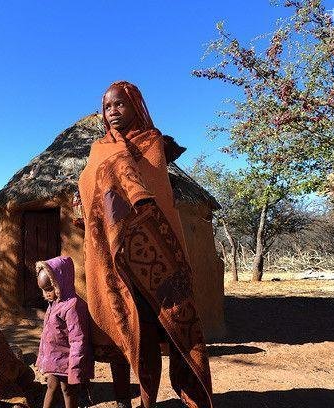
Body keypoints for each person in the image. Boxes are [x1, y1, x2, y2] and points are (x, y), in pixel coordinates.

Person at [77, 81, 213, 408]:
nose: (113, 112)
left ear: (135, 106)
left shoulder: (152, 143)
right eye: (108, 106)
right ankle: (137, 400)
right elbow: (90, 187)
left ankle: (191, 398)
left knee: (168, 327)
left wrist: (119, 169)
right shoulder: (98, 149)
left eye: (120, 104)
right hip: (113, 255)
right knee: (128, 328)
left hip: (154, 256)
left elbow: (157, 194)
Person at [35, 256, 93, 408]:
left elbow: (78, 339)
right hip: (55, 359)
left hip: (68, 361)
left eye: (49, 289)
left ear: (61, 282)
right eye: (43, 290)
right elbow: (47, 335)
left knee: (68, 390)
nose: (46, 294)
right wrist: (42, 357)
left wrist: (75, 367)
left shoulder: (73, 306)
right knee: (51, 386)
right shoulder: (54, 303)